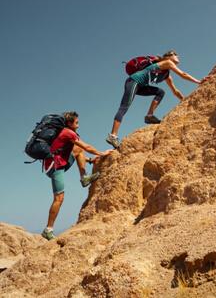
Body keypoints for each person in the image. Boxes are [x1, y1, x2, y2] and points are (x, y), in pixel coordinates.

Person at [106, 50, 204, 149]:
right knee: (124, 107)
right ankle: (112, 136)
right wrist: (199, 82)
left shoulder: (167, 75)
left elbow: (175, 91)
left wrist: (184, 100)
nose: (178, 56)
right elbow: (183, 74)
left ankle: (149, 116)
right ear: (168, 57)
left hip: (141, 86)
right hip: (134, 81)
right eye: (175, 54)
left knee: (160, 92)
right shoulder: (167, 62)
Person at [42, 111, 113, 240]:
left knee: (77, 150)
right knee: (59, 198)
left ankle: (84, 178)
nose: (78, 125)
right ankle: (48, 230)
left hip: (56, 162)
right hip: (55, 166)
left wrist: (90, 161)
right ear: (69, 123)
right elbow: (87, 146)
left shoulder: (64, 132)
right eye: (76, 122)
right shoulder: (67, 133)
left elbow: (74, 152)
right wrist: (102, 154)